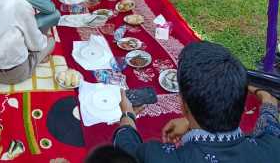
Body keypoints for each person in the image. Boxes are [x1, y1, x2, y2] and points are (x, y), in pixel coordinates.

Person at [114, 41, 280, 162]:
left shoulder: (156, 156)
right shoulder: (273, 149)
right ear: (241, 105)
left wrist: (127, 116)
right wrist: (264, 95)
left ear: (184, 106)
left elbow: (126, 149)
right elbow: (270, 118)